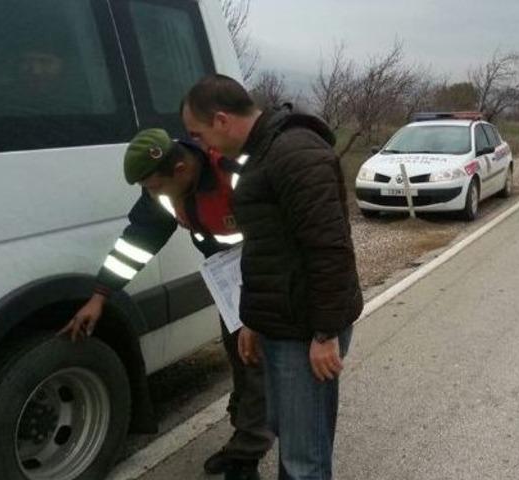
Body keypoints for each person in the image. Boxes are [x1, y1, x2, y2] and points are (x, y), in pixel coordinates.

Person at [59, 128, 272, 480]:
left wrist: (260, 305)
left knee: (258, 367)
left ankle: (246, 455)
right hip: (230, 282)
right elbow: (137, 242)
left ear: (180, 169)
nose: (151, 194)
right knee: (242, 363)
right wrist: (100, 295)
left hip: (268, 275)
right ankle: (243, 437)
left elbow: (280, 231)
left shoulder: (234, 175)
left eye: (153, 186)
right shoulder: (166, 190)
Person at [181, 74, 363, 480]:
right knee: (290, 437)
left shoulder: (294, 153)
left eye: (199, 133)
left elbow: (329, 248)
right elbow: (265, 252)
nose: (203, 146)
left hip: (306, 330)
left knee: (304, 458)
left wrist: (324, 334)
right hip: (281, 324)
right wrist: (253, 321)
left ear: (222, 120)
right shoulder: (262, 153)